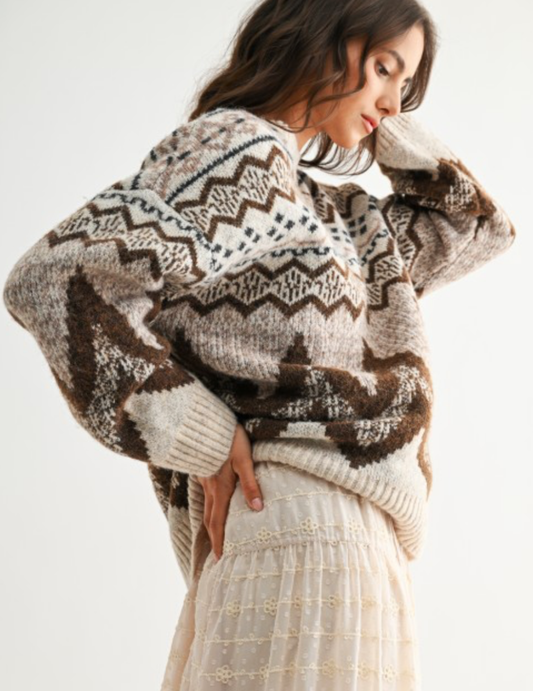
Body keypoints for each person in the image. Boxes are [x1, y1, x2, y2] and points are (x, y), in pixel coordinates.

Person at [2, 0, 516, 689]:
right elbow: (53, 280)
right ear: (319, 37)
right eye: (383, 68)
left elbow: (475, 227)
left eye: (407, 85)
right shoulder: (242, 151)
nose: (394, 102)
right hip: (294, 528)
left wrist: (382, 118)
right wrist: (201, 433)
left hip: (348, 540)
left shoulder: (332, 211)